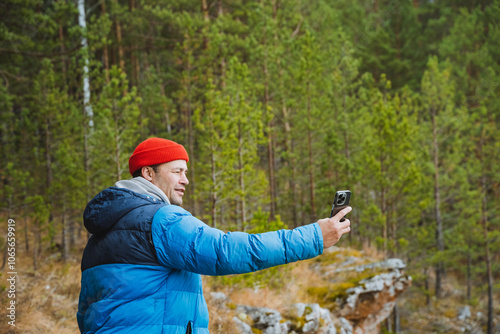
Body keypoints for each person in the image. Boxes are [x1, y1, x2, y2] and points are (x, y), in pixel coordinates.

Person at [77, 137, 351, 334]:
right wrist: (314, 237)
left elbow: (86, 309)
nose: (185, 179)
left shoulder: (101, 231)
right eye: (177, 171)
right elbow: (227, 251)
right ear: (149, 173)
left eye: (186, 172)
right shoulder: (161, 219)